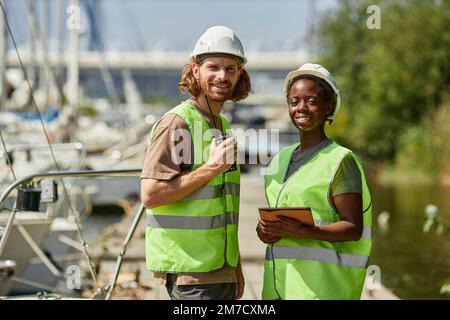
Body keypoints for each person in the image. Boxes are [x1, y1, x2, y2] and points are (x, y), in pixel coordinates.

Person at [140, 26, 251, 300]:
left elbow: (223, 205)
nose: (222, 76)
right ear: (195, 71)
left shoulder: (221, 124)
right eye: (213, 67)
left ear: (240, 75)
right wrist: (212, 168)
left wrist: (235, 265)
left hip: (219, 269)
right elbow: (150, 195)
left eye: (231, 69)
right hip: (192, 274)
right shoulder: (177, 123)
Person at [257, 63, 372, 300]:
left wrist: (301, 231)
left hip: (321, 290)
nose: (301, 108)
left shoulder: (340, 160)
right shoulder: (280, 159)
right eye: (294, 101)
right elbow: (279, 219)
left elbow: (353, 228)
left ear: (328, 105)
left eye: (311, 100)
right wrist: (265, 230)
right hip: (279, 288)